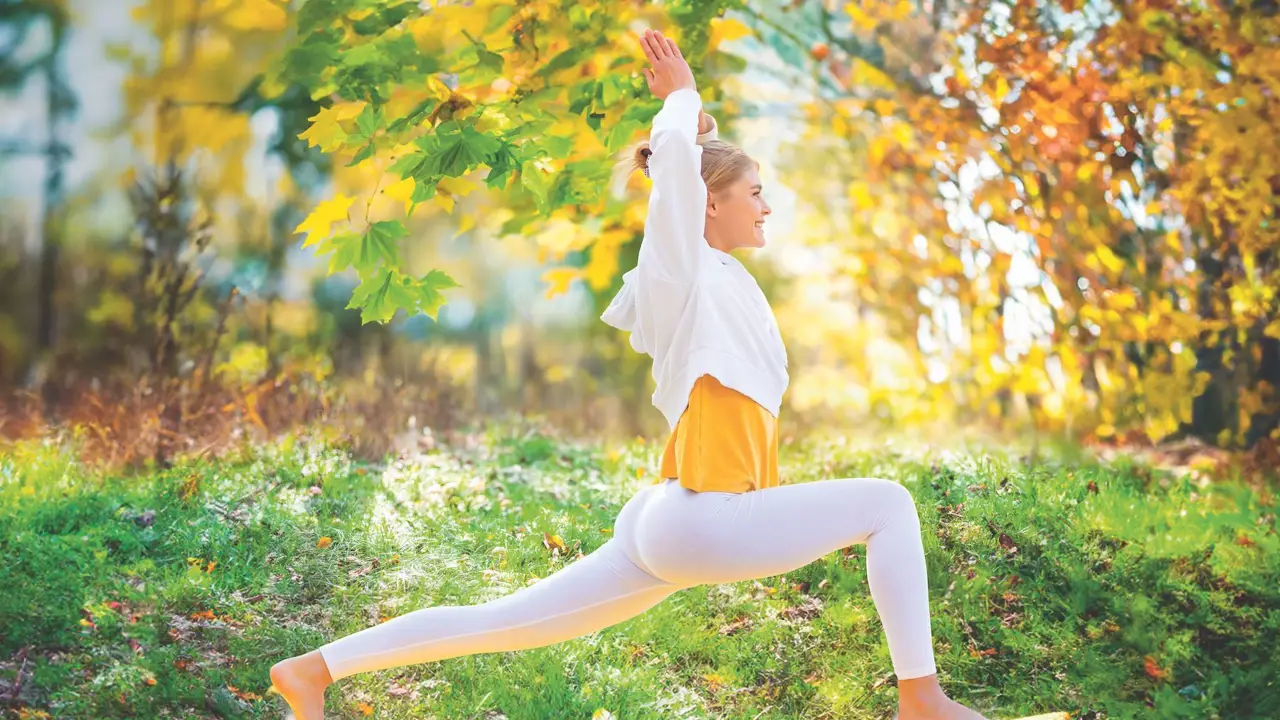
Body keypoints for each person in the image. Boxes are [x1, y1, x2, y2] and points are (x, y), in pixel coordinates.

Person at [269, 28, 989, 720]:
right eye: (756, 191)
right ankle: (920, 701)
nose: (768, 205)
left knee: (504, 621)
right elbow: (674, 182)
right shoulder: (680, 273)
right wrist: (681, 100)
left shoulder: (719, 277)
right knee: (888, 503)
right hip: (701, 518)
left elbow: (683, 170)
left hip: (670, 518)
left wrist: (699, 133)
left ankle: (313, 670)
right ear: (712, 203)